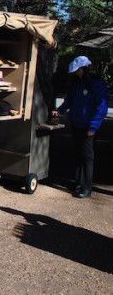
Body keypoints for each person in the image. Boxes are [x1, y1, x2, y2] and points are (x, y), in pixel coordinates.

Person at [52, 56, 108, 198]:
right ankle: (78, 182)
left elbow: (101, 108)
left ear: (84, 69)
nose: (77, 74)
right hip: (76, 124)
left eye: (78, 71)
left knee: (87, 157)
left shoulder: (97, 84)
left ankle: (87, 187)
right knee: (78, 155)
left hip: (88, 127)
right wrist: (59, 110)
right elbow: (69, 101)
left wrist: (93, 127)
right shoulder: (76, 83)